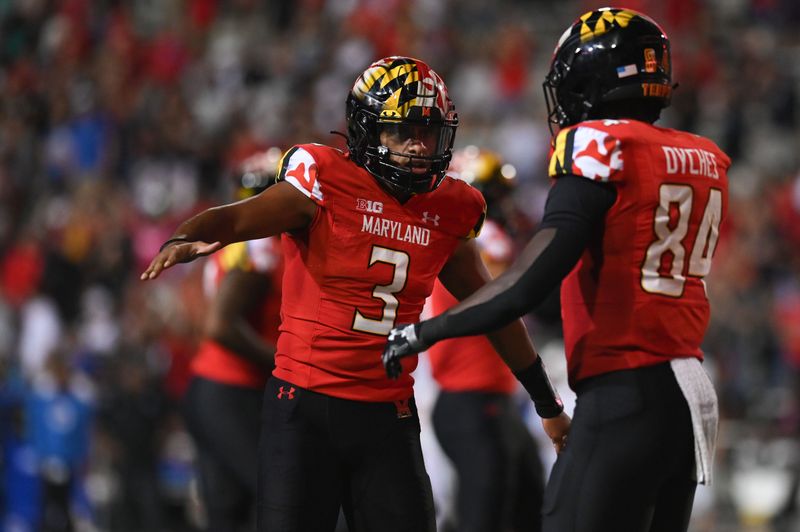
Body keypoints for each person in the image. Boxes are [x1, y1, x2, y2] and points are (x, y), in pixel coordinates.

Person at [140, 56, 570, 532]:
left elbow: (496, 311)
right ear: (368, 131)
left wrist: (547, 405)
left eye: (428, 132)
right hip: (304, 407)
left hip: (388, 414)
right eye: (402, 130)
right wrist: (186, 234)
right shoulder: (323, 179)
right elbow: (238, 217)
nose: (418, 146)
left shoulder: (451, 207)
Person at [382, 9, 729, 532]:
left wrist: (423, 332)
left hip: (626, 388)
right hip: (692, 394)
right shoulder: (701, 155)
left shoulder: (602, 148)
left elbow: (527, 283)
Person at [427, 147, 545, 532]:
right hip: (473, 402)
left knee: (520, 504)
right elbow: (508, 293)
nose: (505, 206)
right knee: (486, 514)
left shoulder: (467, 239)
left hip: (487, 399)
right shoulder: (483, 238)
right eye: (497, 194)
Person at [182, 149, 283, 532]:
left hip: (214, 388)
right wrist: (281, 360)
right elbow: (220, 325)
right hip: (232, 390)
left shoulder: (238, 239)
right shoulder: (260, 246)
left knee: (228, 513)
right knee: (277, 497)